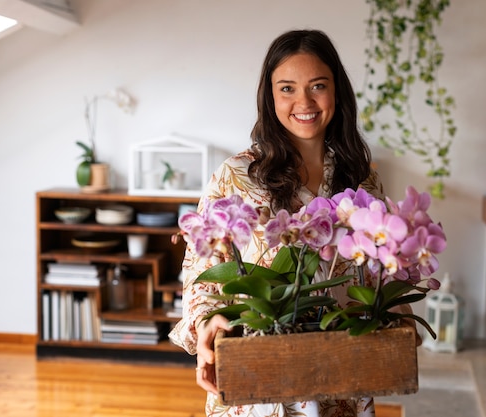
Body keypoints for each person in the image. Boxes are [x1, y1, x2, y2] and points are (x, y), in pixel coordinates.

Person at [169, 29, 410, 417]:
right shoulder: (236, 176)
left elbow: (382, 270)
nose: (304, 102)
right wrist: (208, 323)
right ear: (270, 96)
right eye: (287, 89)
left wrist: (398, 311)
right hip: (260, 379)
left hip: (342, 377)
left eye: (318, 86)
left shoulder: (363, 179)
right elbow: (200, 275)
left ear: (337, 92)